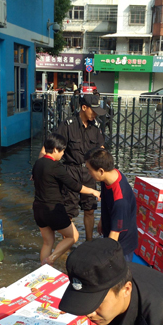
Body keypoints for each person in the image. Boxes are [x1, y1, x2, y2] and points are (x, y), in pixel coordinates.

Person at [40, 94, 106, 241]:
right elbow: (49, 147)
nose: (95, 114)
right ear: (84, 107)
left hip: (89, 172)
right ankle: (67, 243)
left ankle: (89, 242)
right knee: (68, 211)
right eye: (93, 110)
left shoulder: (95, 126)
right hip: (70, 172)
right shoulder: (68, 125)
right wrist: (40, 167)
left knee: (90, 209)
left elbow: (101, 149)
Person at [32, 134, 101, 265]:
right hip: (53, 209)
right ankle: (51, 259)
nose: (63, 154)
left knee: (48, 242)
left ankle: (43, 270)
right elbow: (75, 186)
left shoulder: (38, 163)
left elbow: (34, 178)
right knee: (73, 236)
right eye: (62, 151)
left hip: (38, 209)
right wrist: (93, 191)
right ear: (55, 149)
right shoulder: (56, 167)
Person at [84, 148, 138, 262]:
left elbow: (114, 237)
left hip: (122, 245)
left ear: (101, 171)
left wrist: (103, 259)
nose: (88, 173)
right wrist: (102, 220)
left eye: (89, 170)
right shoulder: (110, 176)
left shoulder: (120, 200)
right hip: (111, 227)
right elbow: (105, 200)